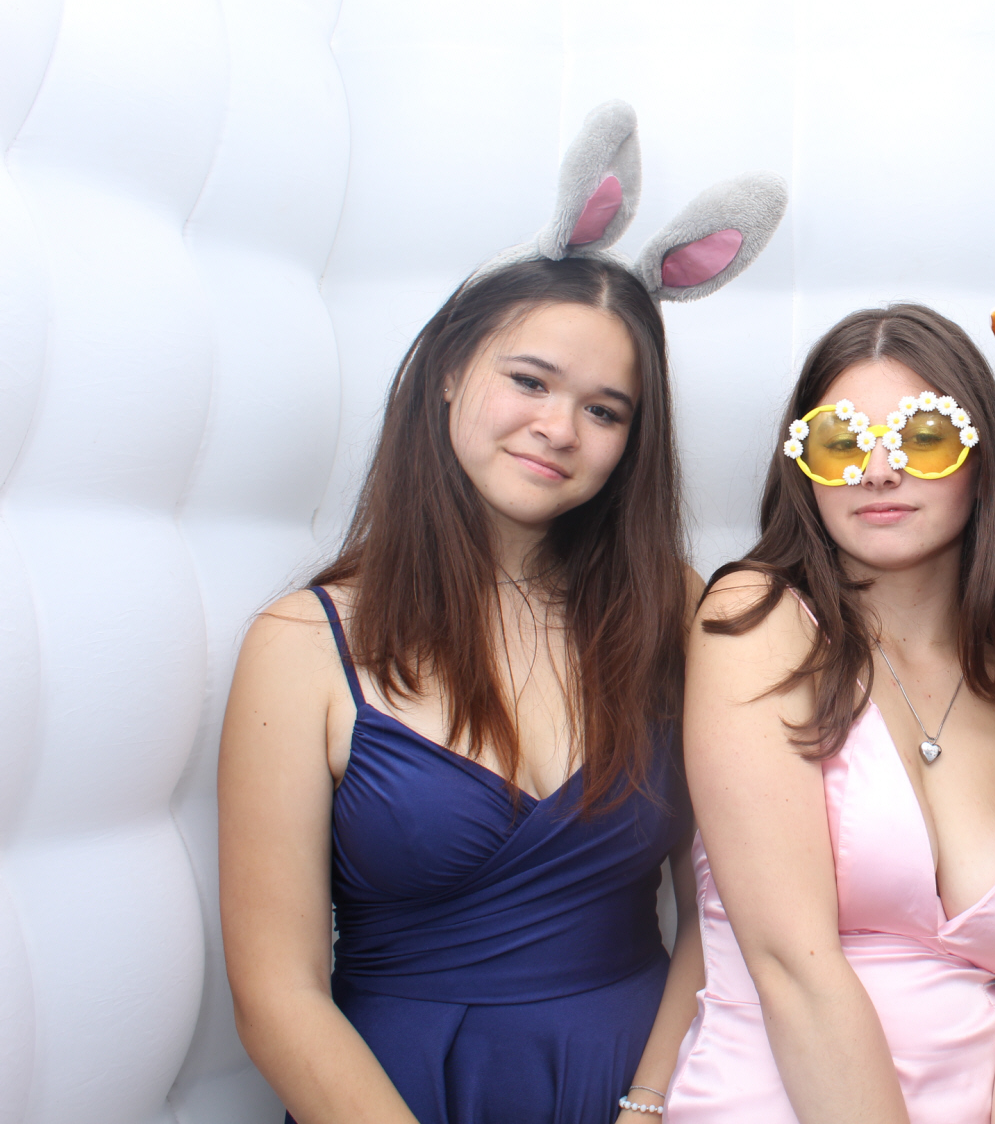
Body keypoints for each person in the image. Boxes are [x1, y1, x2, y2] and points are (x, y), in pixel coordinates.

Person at [218, 102, 786, 1124]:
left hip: (643, 1087)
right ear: (449, 373)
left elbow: (725, 905)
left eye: (605, 410)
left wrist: (651, 1102)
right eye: (529, 380)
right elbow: (276, 994)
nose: (559, 428)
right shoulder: (302, 644)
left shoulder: (674, 611)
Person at [665, 304, 995, 1124]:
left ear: (981, 457)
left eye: (923, 438)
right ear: (805, 467)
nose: (877, 471)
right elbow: (794, 969)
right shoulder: (756, 620)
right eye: (840, 443)